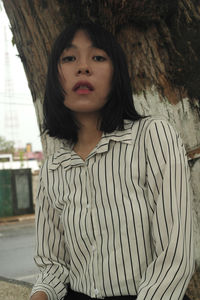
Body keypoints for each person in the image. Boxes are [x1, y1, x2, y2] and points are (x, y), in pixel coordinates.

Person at [30, 22, 194, 300]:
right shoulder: (54, 167)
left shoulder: (152, 136)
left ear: (116, 73)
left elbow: (175, 254)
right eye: (69, 58)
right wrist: (40, 294)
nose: (82, 68)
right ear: (55, 79)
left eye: (98, 57)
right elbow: (53, 264)